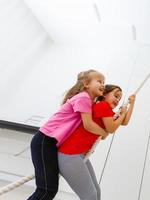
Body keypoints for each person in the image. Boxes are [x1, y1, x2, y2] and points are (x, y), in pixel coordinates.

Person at [28, 69, 109, 200]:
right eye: (99, 81)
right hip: (44, 141)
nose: (103, 84)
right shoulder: (83, 97)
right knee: (46, 190)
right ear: (86, 84)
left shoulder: (88, 100)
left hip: (51, 143)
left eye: (104, 82)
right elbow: (88, 124)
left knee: (49, 190)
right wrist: (104, 133)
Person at [58, 84, 135, 200]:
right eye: (116, 95)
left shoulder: (107, 111)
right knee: (90, 196)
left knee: (96, 192)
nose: (118, 100)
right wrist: (123, 113)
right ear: (104, 95)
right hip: (70, 155)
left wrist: (131, 104)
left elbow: (124, 122)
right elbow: (111, 128)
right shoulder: (102, 106)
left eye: (119, 98)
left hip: (79, 155)